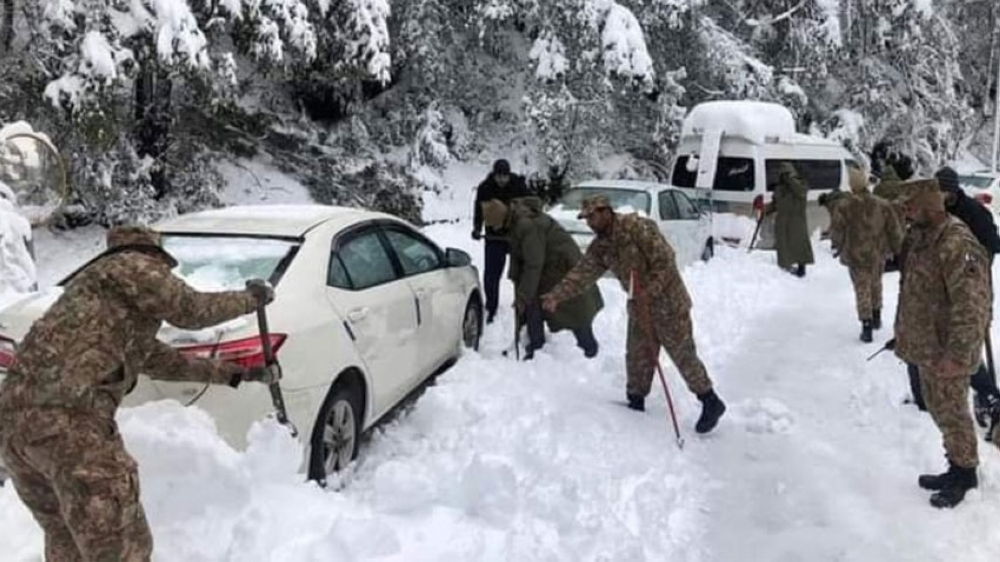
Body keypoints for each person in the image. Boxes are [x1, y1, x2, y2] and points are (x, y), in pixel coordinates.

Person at [0, 226, 280, 561]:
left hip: (13, 431)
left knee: (67, 539)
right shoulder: (131, 264)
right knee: (123, 545)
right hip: (69, 425)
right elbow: (191, 310)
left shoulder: (97, 308)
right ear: (154, 258)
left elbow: (166, 362)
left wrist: (238, 373)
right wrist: (250, 299)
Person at [540, 195, 726, 433]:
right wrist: (557, 295)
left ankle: (710, 401)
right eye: (586, 219)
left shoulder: (637, 228)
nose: (589, 223)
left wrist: (649, 292)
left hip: (669, 304)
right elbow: (583, 273)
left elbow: (666, 261)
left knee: (683, 355)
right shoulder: (602, 246)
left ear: (606, 211)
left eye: (592, 217)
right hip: (639, 307)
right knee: (637, 356)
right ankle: (635, 403)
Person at [893, 187, 992, 508]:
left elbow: (973, 305)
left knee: (953, 414)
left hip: (947, 350)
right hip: (927, 346)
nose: (906, 211)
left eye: (910, 206)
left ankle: (965, 473)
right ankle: (956, 465)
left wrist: (958, 356)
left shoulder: (956, 243)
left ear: (927, 206)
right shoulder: (922, 236)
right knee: (940, 410)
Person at [904, 167, 1000, 434]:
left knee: (964, 347)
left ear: (953, 190)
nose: (940, 196)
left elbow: (994, 244)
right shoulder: (931, 215)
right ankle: (923, 401)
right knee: (922, 347)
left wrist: (969, 262)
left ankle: (989, 397)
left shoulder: (974, 213)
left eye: (944, 191)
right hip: (933, 296)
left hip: (968, 289)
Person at [480, 196, 603, 360]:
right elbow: (521, 256)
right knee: (532, 308)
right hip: (551, 269)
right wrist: (516, 277)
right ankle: (533, 346)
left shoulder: (526, 225)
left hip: (562, 271)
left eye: (495, 225)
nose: (496, 229)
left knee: (574, 313)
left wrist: (523, 295)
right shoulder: (518, 220)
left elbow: (533, 263)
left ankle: (589, 351)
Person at [829, 167, 903, 342]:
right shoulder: (882, 204)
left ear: (852, 185)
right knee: (876, 284)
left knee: (861, 288)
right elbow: (894, 229)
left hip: (855, 254)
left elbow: (837, 229)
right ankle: (877, 316)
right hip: (877, 252)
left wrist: (837, 245)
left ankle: (866, 325)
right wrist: (898, 249)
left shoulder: (844, 205)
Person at [472, 159, 531, 323]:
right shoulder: (485, 188)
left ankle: (524, 308)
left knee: (521, 273)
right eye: (499, 177)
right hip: (494, 237)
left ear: (509, 175)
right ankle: (491, 307)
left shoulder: (518, 185)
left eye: (504, 177)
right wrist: (477, 228)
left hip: (516, 236)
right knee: (491, 275)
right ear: (494, 175)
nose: (502, 180)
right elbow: (478, 210)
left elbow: (531, 206)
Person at [766, 162, 814, 277]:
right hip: (782, 220)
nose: (784, 177)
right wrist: (766, 210)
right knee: (783, 244)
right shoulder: (779, 188)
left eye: (786, 174)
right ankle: (786, 265)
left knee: (799, 243)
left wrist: (790, 180)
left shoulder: (801, 184)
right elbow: (775, 203)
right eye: (782, 174)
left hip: (796, 219)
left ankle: (801, 268)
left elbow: (801, 192)